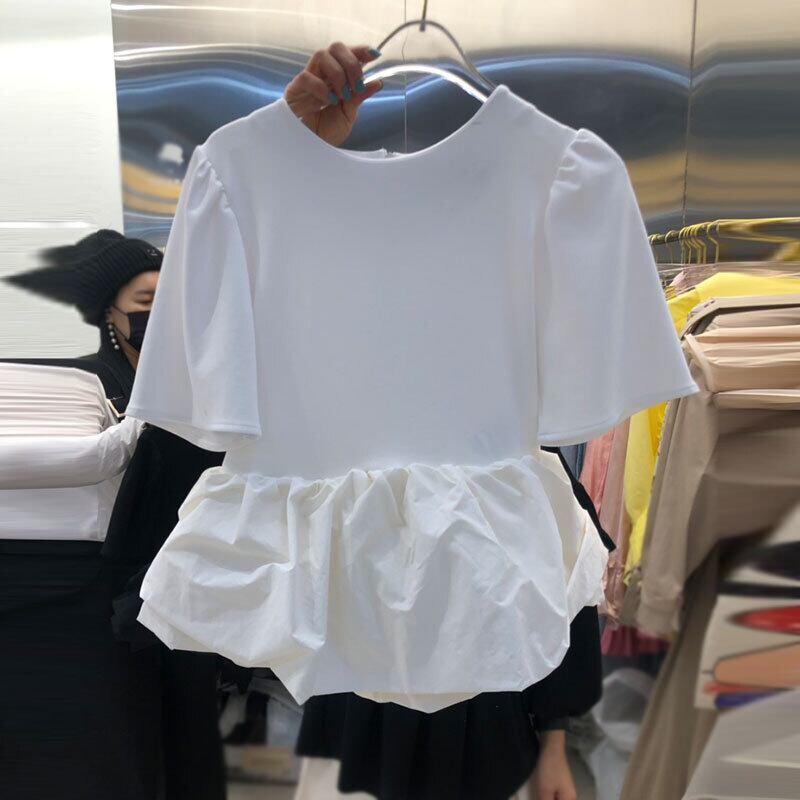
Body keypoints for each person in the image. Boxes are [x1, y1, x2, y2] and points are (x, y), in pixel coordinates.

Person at [283, 42, 583, 800]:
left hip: (482, 721)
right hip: (351, 716)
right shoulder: (323, 433)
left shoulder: (513, 447)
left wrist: (554, 750)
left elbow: (564, 609)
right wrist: (294, 149)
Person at [1, 231, 226, 800]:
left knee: (189, 733)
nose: (162, 315)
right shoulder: (81, 390)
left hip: (190, 579)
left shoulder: (208, 389)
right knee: (119, 741)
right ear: (110, 312)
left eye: (172, 300)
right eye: (146, 302)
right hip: (107, 592)